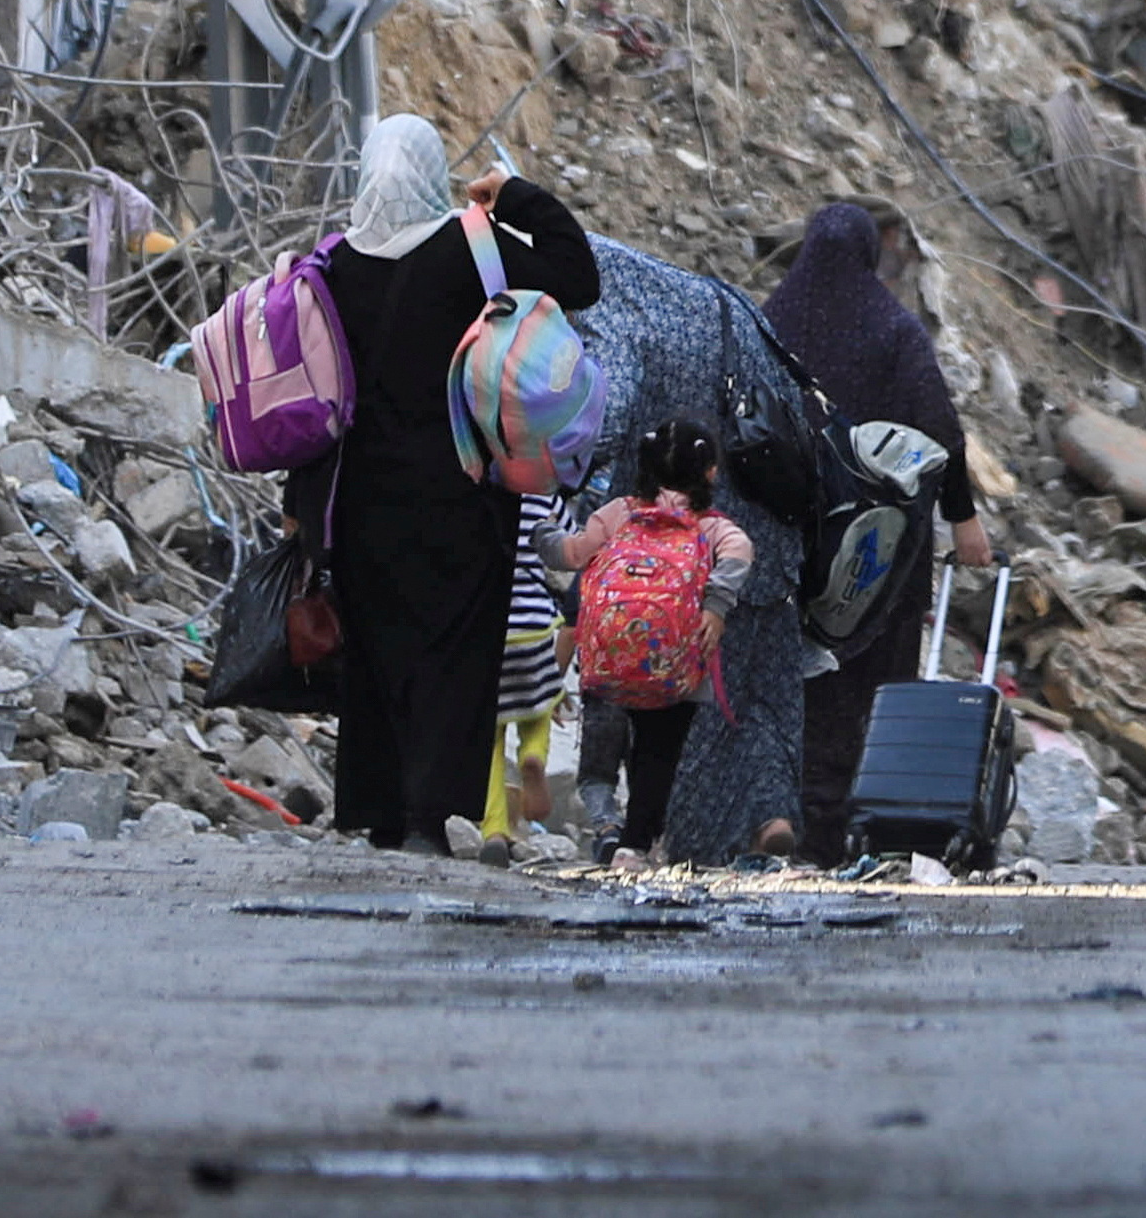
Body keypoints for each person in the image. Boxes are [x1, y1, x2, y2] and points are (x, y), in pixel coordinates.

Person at [298, 116, 597, 855]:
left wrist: (300, 515)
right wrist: (517, 196)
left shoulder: (332, 265)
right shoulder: (474, 246)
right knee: (449, 655)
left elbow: (317, 397)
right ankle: (431, 815)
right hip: (463, 494)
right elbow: (578, 275)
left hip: (361, 501)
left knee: (375, 657)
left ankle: (380, 813)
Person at [764, 202, 994, 865]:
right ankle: (846, 831)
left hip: (790, 539)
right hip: (879, 550)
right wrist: (963, 516)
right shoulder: (892, 329)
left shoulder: (768, 321)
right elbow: (939, 429)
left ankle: (778, 817)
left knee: (791, 680)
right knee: (870, 682)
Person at [567, 238, 807, 866]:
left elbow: (610, 421)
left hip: (662, 559)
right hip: (761, 537)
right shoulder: (717, 305)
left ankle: (655, 836)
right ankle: (767, 819)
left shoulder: (611, 312)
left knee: (665, 714)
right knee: (754, 697)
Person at [549, 420, 753, 871]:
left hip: (614, 654)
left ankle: (615, 828)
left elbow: (575, 554)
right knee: (658, 751)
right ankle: (636, 844)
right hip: (678, 659)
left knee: (620, 744)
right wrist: (716, 605)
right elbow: (740, 552)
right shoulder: (711, 527)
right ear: (711, 473)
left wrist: (545, 540)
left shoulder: (620, 512)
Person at [475, 489, 571, 860]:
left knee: (490, 740)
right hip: (535, 627)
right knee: (542, 704)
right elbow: (569, 551)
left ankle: (495, 831)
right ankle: (533, 755)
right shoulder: (544, 497)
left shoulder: (481, 492)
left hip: (489, 630)